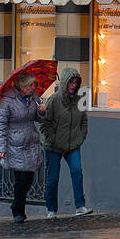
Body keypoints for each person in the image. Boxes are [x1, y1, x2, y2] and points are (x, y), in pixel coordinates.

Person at [38, 67, 91, 218]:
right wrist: (53, 139)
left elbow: (84, 122)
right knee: (52, 178)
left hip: (72, 145)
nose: (74, 85)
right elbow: (44, 124)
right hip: (53, 147)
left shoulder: (80, 100)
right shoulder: (54, 100)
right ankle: (51, 209)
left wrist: (80, 138)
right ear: (65, 83)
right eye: (71, 82)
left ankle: (80, 206)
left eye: (76, 82)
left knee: (77, 172)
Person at [0, 72, 44, 224]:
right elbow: (0, 126)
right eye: (30, 85)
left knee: (29, 179)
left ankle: (16, 204)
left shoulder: (34, 97)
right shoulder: (8, 100)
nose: (33, 87)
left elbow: (38, 118)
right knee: (21, 179)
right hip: (15, 144)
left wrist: (42, 112)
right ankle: (19, 212)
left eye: (33, 85)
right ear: (22, 87)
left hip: (31, 142)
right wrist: (1, 148)